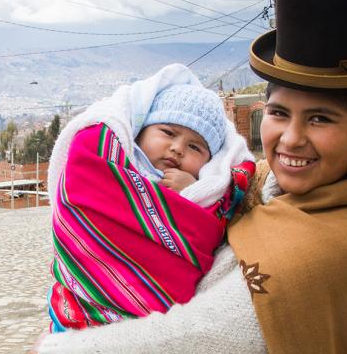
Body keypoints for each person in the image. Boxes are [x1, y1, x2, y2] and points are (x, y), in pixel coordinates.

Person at [36, 0, 347, 353]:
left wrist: (56, 347)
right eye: (279, 113)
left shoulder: (321, 252)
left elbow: (192, 338)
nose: (291, 139)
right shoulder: (300, 191)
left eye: (320, 118)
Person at [46, 64, 255, 331]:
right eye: (168, 133)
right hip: (84, 306)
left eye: (195, 147)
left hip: (158, 315)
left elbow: (206, 228)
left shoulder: (204, 188)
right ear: (141, 131)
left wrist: (192, 192)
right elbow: (79, 209)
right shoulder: (114, 162)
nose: (177, 148)